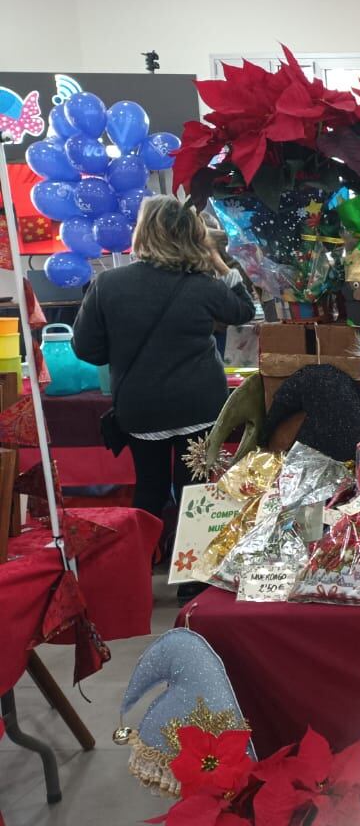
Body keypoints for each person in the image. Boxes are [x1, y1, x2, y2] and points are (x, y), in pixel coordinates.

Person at [72, 195, 256, 556]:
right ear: (192, 235)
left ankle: (137, 571)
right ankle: (192, 581)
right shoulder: (203, 285)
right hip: (199, 405)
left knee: (150, 487)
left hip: (142, 408)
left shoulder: (108, 284)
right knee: (196, 492)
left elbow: (86, 350)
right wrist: (218, 261)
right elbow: (244, 311)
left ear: (143, 232)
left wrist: (124, 350)